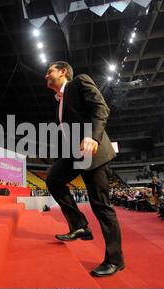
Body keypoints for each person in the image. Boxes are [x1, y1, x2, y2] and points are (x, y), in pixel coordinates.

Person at [44, 61, 124, 277]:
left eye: (49, 71)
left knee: (101, 206)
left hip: (93, 151)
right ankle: (80, 225)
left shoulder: (79, 81)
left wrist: (92, 136)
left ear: (63, 71)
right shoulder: (58, 101)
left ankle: (115, 260)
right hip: (73, 154)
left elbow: (101, 108)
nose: (46, 76)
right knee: (53, 179)